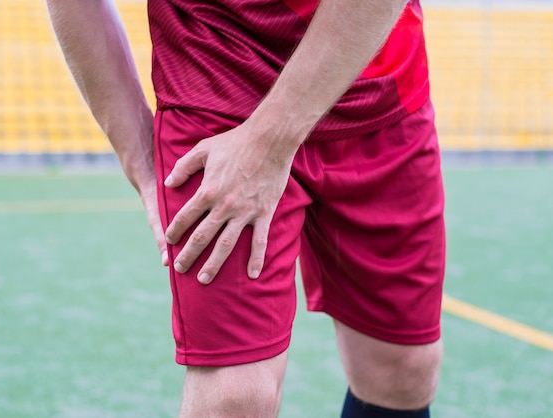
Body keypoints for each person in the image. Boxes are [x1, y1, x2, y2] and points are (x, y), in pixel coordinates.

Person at [47, 0, 445, 417]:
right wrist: (142, 163)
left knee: (404, 371)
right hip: (216, 87)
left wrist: (269, 143)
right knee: (235, 398)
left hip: (381, 85)